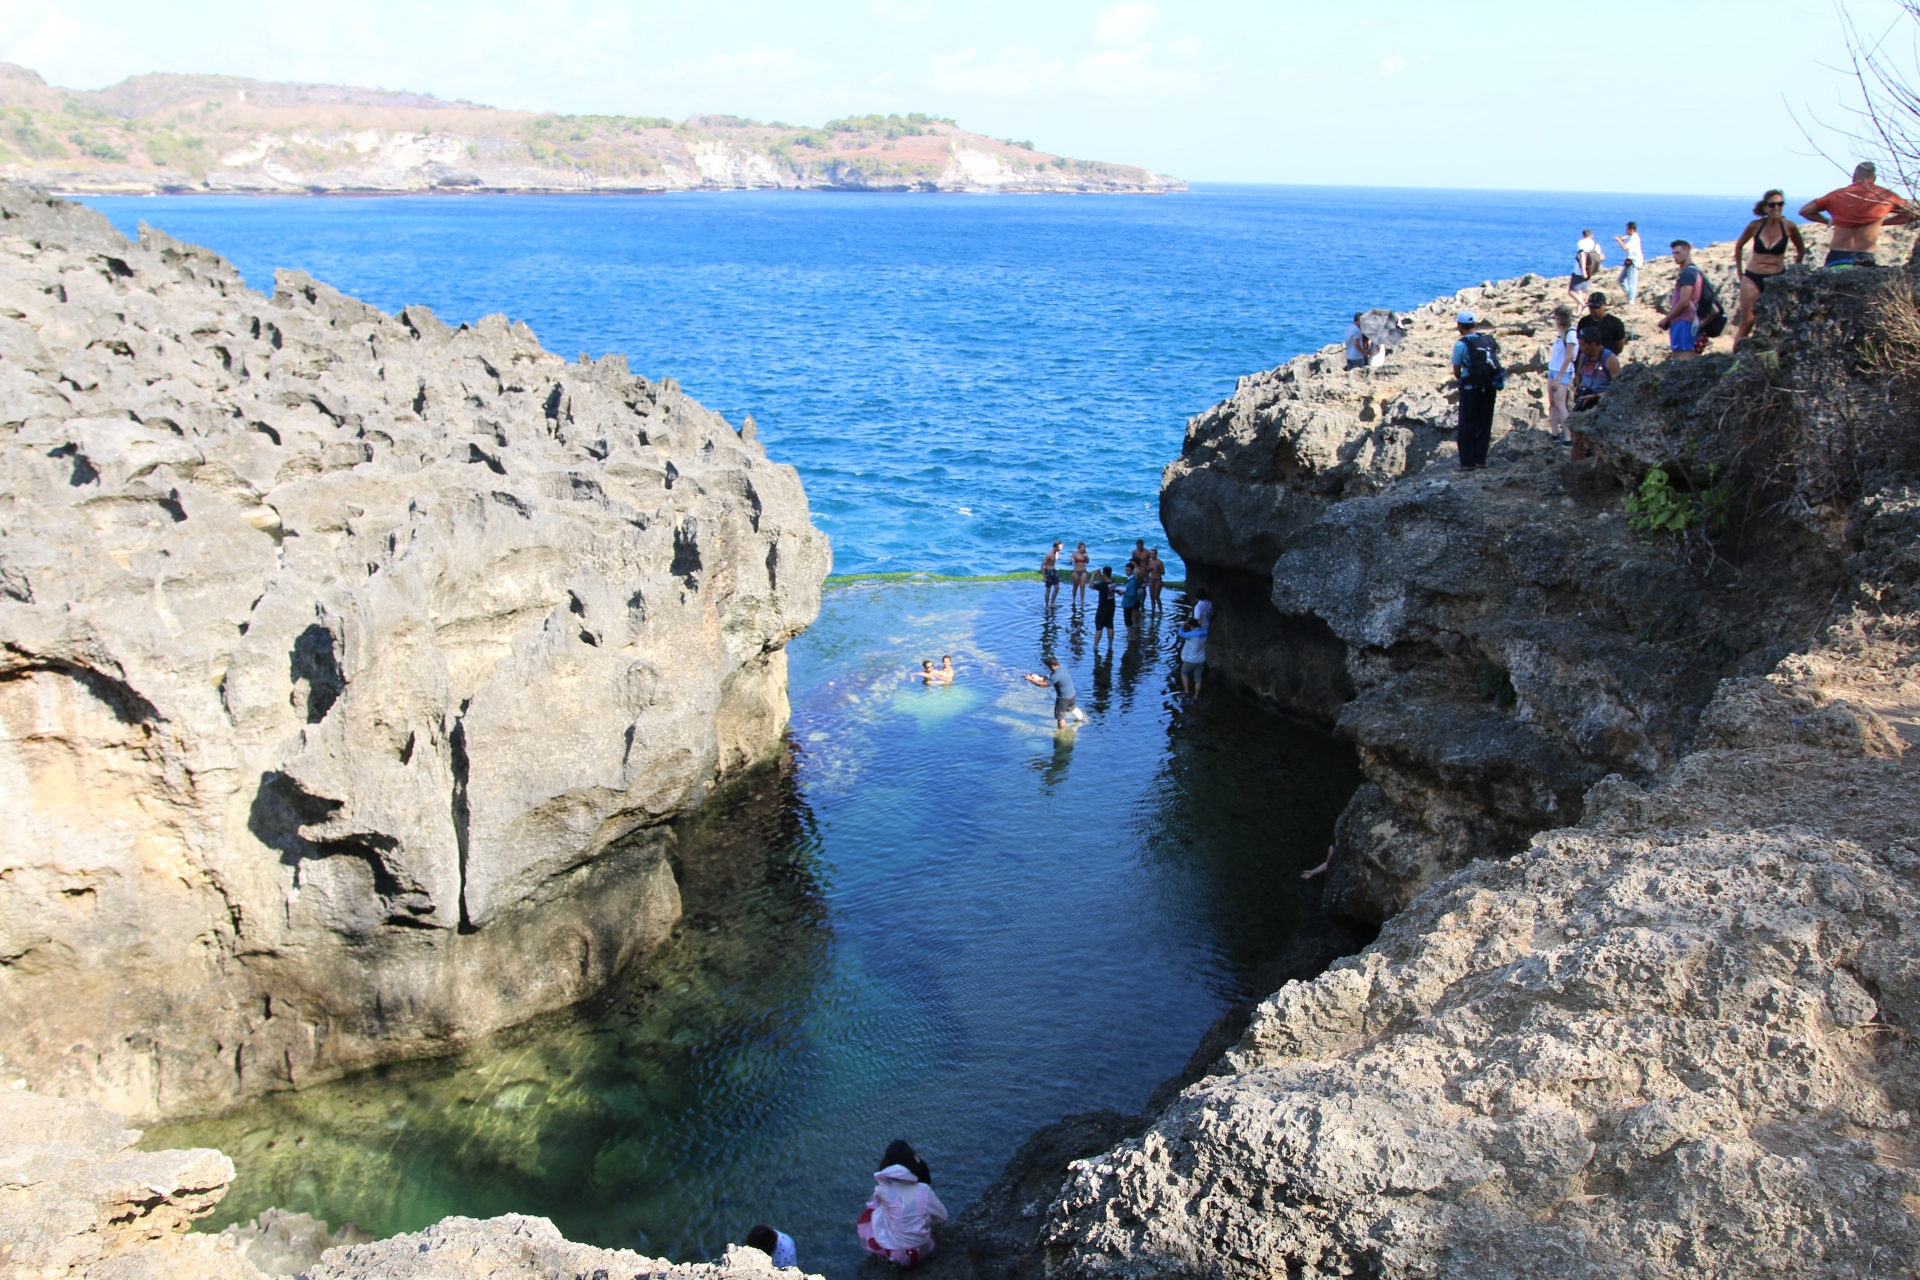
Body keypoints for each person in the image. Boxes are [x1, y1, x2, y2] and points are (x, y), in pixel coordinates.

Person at [1799, 161, 1912, 268]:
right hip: (1865, 255)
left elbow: (1805, 211)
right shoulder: (1886, 196)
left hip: (1838, 254)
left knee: (1832, 287)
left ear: (1854, 176)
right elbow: (1912, 214)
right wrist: (1884, 222)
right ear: (1874, 178)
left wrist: (1828, 221)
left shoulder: (1837, 195)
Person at [857, 1141, 948, 1268]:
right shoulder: (924, 1190)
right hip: (925, 1250)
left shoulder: (881, 1191)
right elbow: (943, 1218)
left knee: (874, 1209)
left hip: (899, 1257)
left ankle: (881, 1248)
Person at [1733, 189, 1807, 342]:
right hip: (1753, 276)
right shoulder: (1755, 226)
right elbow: (1739, 246)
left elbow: (1801, 250)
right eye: (1772, 205)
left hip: (1777, 277)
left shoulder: (1789, 227)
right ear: (1765, 207)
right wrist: (1740, 272)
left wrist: (1794, 272)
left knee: (1771, 323)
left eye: (1780, 204)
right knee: (1746, 322)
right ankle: (1736, 358)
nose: (1776, 208)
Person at [1449, 310, 1502, 471]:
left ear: (1459, 326)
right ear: (1475, 325)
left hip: (1470, 388)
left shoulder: (1461, 344)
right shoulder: (1487, 340)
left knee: (1467, 423)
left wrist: (1462, 379)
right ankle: (1481, 460)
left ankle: (1467, 463)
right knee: (1484, 422)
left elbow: (1457, 370)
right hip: (1490, 386)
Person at [1569, 332, 1620, 463]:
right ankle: (1575, 469)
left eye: (1583, 345)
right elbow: (1579, 375)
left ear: (1594, 344)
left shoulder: (1610, 359)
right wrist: (1578, 387)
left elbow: (1619, 387)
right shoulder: (1583, 357)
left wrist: (1598, 396)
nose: (1581, 348)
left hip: (1602, 403)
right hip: (1585, 400)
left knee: (1598, 441)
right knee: (1576, 439)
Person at [1657, 241, 1708, 359]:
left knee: (1682, 356)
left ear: (1687, 251)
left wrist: (1667, 318)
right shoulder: (1695, 271)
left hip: (1683, 321)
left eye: (1678, 253)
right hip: (1688, 321)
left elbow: (1684, 302)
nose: (1674, 256)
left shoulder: (1688, 274)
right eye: (1673, 253)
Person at [1547, 305, 1578, 445]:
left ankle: (1568, 436)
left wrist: (1559, 378)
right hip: (1552, 369)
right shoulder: (1561, 332)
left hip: (1563, 371)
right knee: (1552, 403)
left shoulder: (1571, 333)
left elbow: (1568, 357)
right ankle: (1554, 433)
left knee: (1560, 404)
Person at [1024, 657, 1083, 730]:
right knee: (1072, 708)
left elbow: (1042, 685)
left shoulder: (1056, 676)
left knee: (1060, 717)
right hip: (1072, 694)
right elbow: (1049, 677)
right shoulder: (1061, 666)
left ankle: (1061, 732)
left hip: (1063, 698)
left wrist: (1030, 680)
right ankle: (1082, 719)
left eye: (1048, 666)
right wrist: (1039, 678)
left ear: (1052, 666)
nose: (1047, 668)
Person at [1613, 221, 1644, 305]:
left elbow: (1624, 247)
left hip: (1634, 262)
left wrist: (1619, 240)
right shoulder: (1630, 236)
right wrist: (1620, 238)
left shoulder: (1635, 238)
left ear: (1631, 230)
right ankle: (1630, 295)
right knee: (1621, 280)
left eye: (1627, 229)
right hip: (1629, 261)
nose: (1626, 230)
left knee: (1632, 282)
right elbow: (1624, 238)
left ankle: (1631, 301)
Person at [1177, 615, 1207, 698]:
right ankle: (1196, 697)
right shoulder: (1205, 632)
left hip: (1190, 660)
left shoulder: (1191, 634)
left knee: (1184, 672)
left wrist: (1183, 625)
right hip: (1201, 660)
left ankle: (1187, 692)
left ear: (1190, 626)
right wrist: (1198, 624)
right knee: (1198, 679)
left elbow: (1180, 633)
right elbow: (1201, 628)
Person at [1569, 228, 1602, 301]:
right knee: (1580, 291)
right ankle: (1579, 311)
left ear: (1583, 235)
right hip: (1590, 270)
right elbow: (1600, 258)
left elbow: (1582, 255)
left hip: (1579, 271)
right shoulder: (1596, 245)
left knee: (1572, 292)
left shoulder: (1581, 242)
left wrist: (1583, 270)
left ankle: (1583, 305)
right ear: (1592, 236)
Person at [1091, 567, 1116, 649]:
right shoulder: (1113, 582)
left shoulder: (1103, 585)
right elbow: (1105, 580)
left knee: (1099, 627)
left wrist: (1093, 575)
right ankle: (1110, 645)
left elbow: (1091, 585)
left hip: (1102, 607)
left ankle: (1095, 645)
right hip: (1111, 606)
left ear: (1104, 574)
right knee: (1110, 626)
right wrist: (1101, 575)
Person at [1120, 565, 1145, 632]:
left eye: (1128, 570)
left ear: (1132, 571)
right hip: (1133, 601)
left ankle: (1130, 636)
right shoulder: (1132, 579)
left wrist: (1124, 593)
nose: (1126, 572)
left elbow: (1132, 594)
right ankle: (1134, 630)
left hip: (1129, 602)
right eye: (1126, 570)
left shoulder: (1132, 581)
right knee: (1130, 618)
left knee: (1128, 620)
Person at [1040, 541, 1062, 609]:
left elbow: (1055, 560)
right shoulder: (1049, 554)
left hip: (1054, 570)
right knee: (1048, 589)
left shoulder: (1057, 552)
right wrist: (1044, 577)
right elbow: (1042, 565)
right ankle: (1047, 605)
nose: (1061, 548)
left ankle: (1052, 603)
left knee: (1057, 588)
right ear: (1056, 547)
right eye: (1060, 547)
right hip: (1048, 571)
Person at [1146, 549, 1165, 614]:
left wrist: (1158, 570)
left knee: (1156, 596)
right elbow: (1148, 571)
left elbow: (1163, 572)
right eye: (1151, 554)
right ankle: (1153, 610)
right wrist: (1148, 569)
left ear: (1156, 554)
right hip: (1151, 579)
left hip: (1158, 580)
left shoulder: (1159, 562)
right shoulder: (1150, 562)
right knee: (1152, 596)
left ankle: (1160, 611)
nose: (1152, 555)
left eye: (1153, 554)